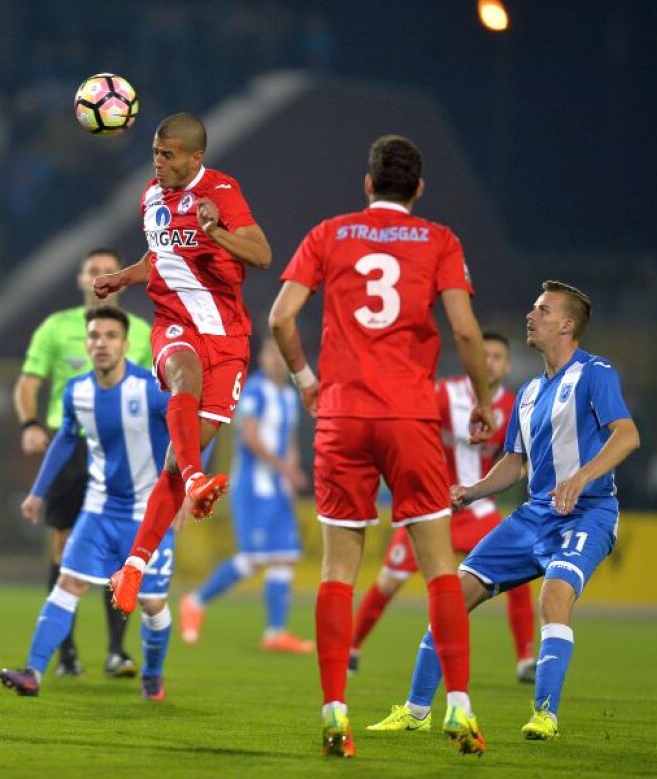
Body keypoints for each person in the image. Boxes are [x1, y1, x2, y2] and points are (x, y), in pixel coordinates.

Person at [268, 135, 496, 757]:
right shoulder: (441, 241)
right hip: (410, 416)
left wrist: (306, 381)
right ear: (418, 190)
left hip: (342, 415)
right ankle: (459, 707)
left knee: (337, 570)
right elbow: (467, 332)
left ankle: (336, 712)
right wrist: (480, 399)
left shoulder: (328, 234)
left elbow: (281, 318)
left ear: (366, 184)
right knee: (439, 568)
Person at [368, 281, 640, 741]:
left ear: (567, 325)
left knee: (553, 597)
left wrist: (581, 478)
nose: (530, 316)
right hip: (536, 514)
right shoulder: (530, 392)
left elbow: (627, 434)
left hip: (588, 513)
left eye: (543, 310)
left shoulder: (595, 372)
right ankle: (416, 710)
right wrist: (471, 491)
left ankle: (545, 715)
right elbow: (515, 463)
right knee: (453, 595)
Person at [92, 112, 272, 614]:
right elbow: (159, 257)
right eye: (155, 152)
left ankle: (132, 568)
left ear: (196, 157)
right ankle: (197, 480)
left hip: (230, 339)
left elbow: (261, 254)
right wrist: (121, 279)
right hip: (176, 325)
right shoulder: (151, 197)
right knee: (181, 374)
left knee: (177, 458)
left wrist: (217, 233)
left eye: (168, 155)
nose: (159, 162)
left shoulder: (222, 191)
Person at [0, 306, 175, 701]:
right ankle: (33, 673)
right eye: (94, 336)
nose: (101, 343)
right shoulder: (76, 390)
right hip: (98, 510)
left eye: (111, 336)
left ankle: (152, 672)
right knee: (69, 581)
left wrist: (184, 489)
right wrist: (37, 492)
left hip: (147, 515)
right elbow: (65, 439)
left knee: (152, 603)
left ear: (126, 345)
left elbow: (195, 432)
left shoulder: (150, 389)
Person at [351, 333, 536, 681]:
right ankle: (352, 646)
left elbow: (521, 459)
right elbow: (409, 434)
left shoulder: (514, 407)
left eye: (497, 356)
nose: (490, 362)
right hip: (431, 508)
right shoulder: (443, 393)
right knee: (389, 580)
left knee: (518, 574)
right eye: (484, 355)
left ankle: (525, 658)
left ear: (507, 365)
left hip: (478, 511)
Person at [14, 247, 153, 678]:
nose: (101, 277)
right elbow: (27, 383)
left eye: (110, 271)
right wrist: (31, 424)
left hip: (123, 449)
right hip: (71, 443)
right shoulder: (56, 328)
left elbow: (156, 394)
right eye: (93, 271)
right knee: (65, 545)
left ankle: (116, 651)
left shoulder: (144, 333)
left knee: (119, 550)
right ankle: (67, 652)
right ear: (80, 280)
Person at [179, 339, 314, 653]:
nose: (276, 361)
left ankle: (275, 632)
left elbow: (290, 440)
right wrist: (286, 469)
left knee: (285, 556)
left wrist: (290, 479)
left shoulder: (289, 397)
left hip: (278, 489)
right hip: (253, 488)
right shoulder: (253, 390)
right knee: (253, 559)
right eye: (271, 354)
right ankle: (195, 601)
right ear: (263, 359)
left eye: (281, 355)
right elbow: (250, 437)